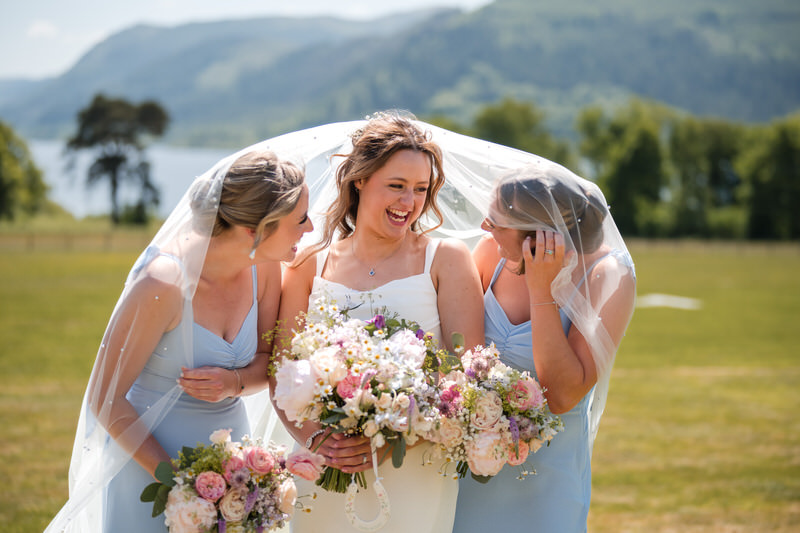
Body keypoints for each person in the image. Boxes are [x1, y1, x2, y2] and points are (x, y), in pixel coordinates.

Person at [45, 149, 313, 532]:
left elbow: (267, 361)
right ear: (255, 229)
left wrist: (233, 383)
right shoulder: (163, 283)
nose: (311, 229)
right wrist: (180, 484)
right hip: (148, 469)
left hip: (235, 470)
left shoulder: (266, 269)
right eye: (300, 219)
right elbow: (105, 398)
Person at [272, 112, 485, 533]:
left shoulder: (446, 260)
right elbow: (282, 369)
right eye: (397, 186)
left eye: (421, 189)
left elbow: (466, 378)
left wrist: (394, 438)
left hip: (415, 468)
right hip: (324, 466)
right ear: (360, 180)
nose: (409, 203)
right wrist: (320, 440)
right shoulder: (308, 264)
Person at [452, 162, 636, 532]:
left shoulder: (608, 275)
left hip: (546, 476)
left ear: (537, 235)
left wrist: (542, 289)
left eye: (497, 221)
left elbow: (563, 394)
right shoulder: (491, 253)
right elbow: (455, 352)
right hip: (467, 469)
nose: (484, 227)